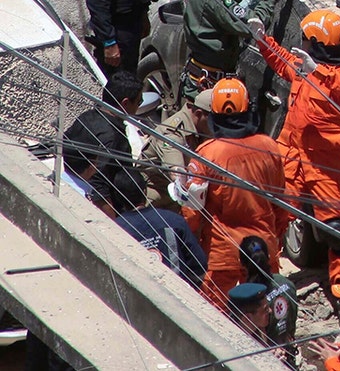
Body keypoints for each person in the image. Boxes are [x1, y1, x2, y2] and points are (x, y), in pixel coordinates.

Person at [251, 10, 340, 283]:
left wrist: (319, 71)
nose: (301, 44)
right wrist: (261, 38)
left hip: (327, 167)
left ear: (316, 42)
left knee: (336, 231)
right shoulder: (305, 68)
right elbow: (282, 61)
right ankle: (264, 280)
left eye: (305, 39)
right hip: (290, 156)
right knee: (271, 217)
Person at [181, 77, 288, 310]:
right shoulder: (270, 146)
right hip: (263, 250)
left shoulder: (206, 154)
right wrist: (274, 237)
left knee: (218, 321)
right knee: (265, 316)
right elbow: (282, 201)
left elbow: (192, 212)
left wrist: (190, 244)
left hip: (222, 255)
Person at [107, 169, 208, 289]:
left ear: (117, 198)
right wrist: (188, 289)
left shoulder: (114, 230)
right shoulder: (174, 220)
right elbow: (199, 264)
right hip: (178, 296)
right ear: (145, 191)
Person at [62, 70, 142, 207]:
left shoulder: (85, 117)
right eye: (139, 102)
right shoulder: (113, 137)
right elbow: (99, 187)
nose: (139, 106)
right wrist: (113, 224)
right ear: (126, 103)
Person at [138, 89, 213, 211]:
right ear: (199, 114)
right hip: (158, 193)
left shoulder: (201, 126)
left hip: (185, 197)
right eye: (214, 120)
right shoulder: (172, 132)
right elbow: (178, 175)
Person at [239, 235, 299, 368]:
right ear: (269, 258)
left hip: (263, 361)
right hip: (287, 353)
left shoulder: (247, 298)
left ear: (242, 265)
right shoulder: (287, 283)